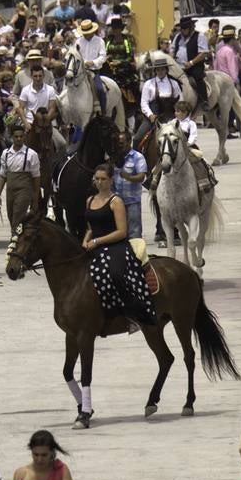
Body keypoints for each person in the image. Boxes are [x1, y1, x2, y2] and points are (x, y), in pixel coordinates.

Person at [78, 163, 156, 428]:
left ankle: (131, 314)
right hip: (95, 245)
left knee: (114, 275)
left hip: (116, 247)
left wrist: (97, 241)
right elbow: (91, 225)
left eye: (103, 178)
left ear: (111, 180)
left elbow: (122, 232)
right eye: (96, 178)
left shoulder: (116, 201)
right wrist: (87, 238)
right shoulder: (90, 199)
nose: (99, 182)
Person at [0, 123, 41, 234]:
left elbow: (36, 177)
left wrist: (35, 197)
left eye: (21, 136)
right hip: (10, 189)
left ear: (24, 137)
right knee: (11, 216)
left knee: (18, 215)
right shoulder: (6, 153)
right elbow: (2, 175)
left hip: (24, 189)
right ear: (12, 137)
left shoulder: (31, 154)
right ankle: (19, 238)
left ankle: (14, 241)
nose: (19, 139)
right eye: (16, 137)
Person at [112, 130, 147, 239]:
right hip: (117, 202)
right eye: (118, 143)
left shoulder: (138, 157)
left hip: (132, 201)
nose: (120, 146)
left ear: (129, 142)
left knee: (134, 232)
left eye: (122, 143)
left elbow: (141, 176)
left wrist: (128, 177)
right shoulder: (114, 158)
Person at [137, 56, 182, 140]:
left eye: (162, 69)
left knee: (185, 135)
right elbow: (144, 102)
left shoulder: (174, 83)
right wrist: (150, 115)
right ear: (155, 71)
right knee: (137, 138)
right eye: (158, 70)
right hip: (153, 116)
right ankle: (136, 153)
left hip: (171, 116)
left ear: (166, 70)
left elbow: (180, 101)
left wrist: (179, 113)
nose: (160, 72)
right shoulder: (148, 84)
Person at [170, 16, 209, 109]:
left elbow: (203, 53)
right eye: (181, 29)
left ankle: (204, 100)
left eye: (184, 29)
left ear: (191, 27)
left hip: (194, 66)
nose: (182, 31)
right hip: (179, 66)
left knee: (197, 77)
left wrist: (191, 62)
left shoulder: (199, 36)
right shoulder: (178, 36)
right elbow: (172, 49)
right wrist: (172, 57)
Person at [75, 19, 107, 115]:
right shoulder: (78, 41)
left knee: (100, 89)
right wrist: (83, 63)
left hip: (94, 71)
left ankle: (103, 111)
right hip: (80, 71)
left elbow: (103, 56)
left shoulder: (99, 41)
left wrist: (93, 62)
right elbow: (76, 55)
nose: (85, 34)